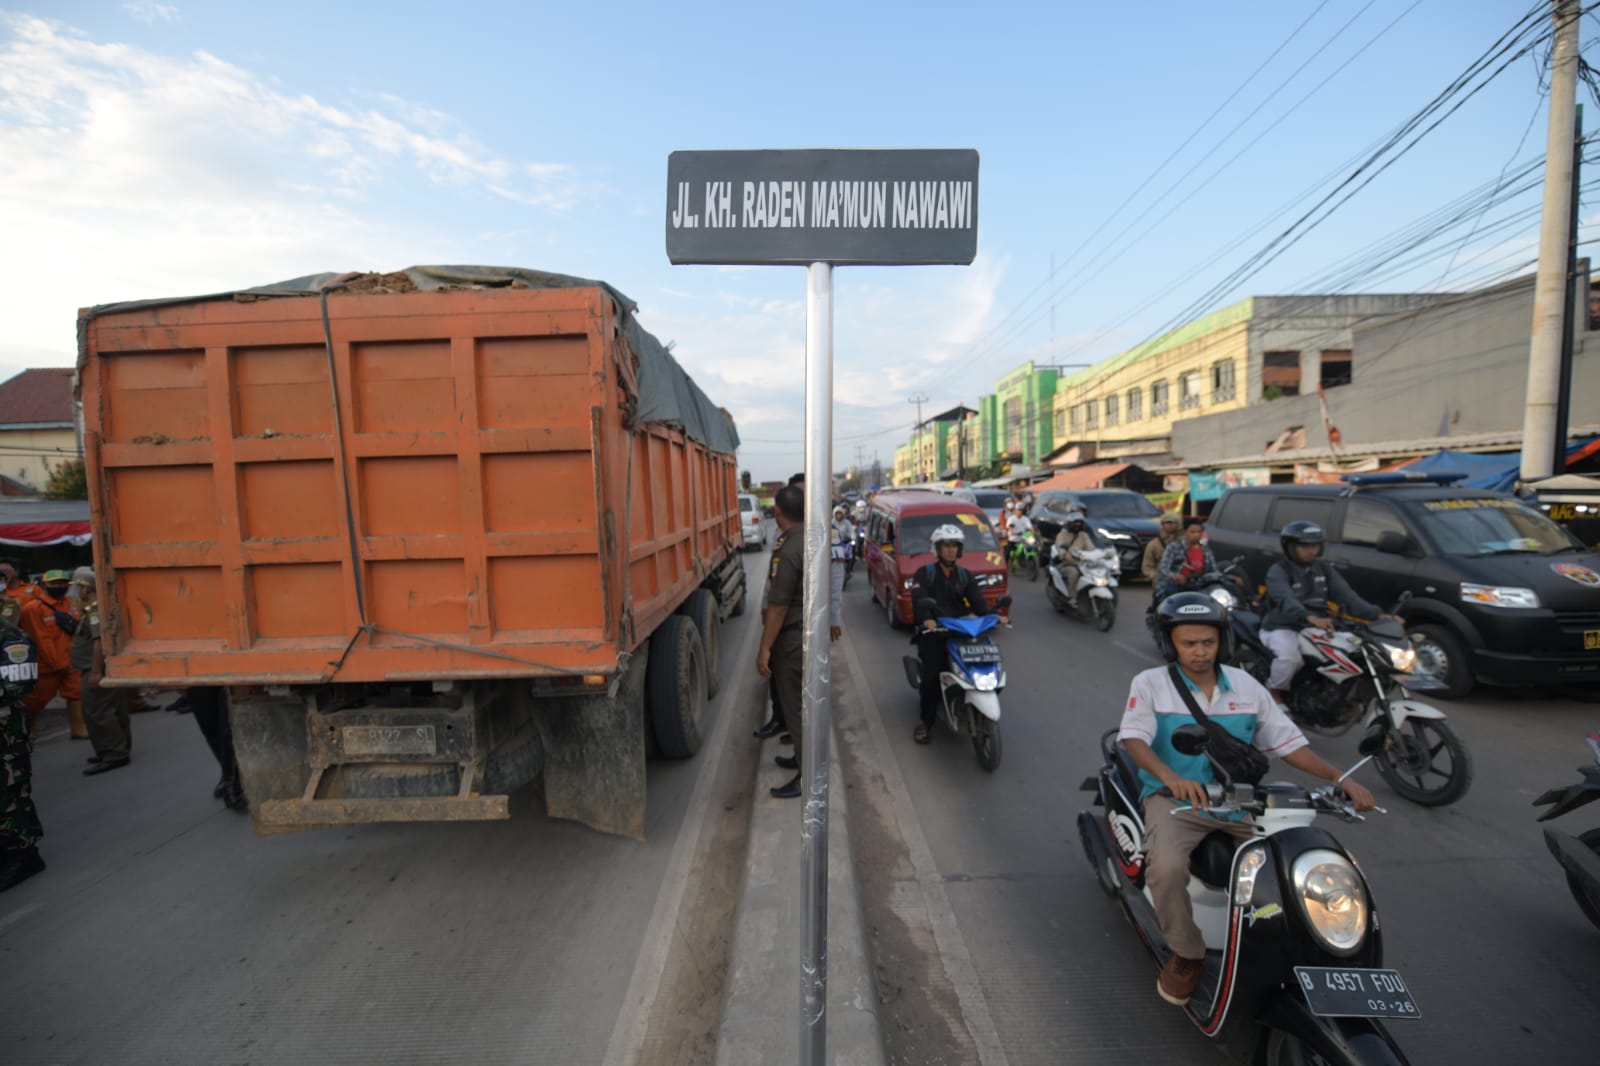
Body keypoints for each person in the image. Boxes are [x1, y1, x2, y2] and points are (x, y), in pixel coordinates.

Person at [1118, 592, 1376, 1007]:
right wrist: (1170, 776)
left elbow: (1288, 744)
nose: (1200, 652)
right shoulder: (1150, 684)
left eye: (1208, 642)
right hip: (1177, 800)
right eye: (1189, 643)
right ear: (1171, 644)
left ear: (1222, 641)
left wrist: (1339, 778)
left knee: (1298, 864)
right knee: (1165, 867)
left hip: (1240, 801)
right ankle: (1187, 953)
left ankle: (1295, 941)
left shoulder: (1246, 686)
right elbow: (1133, 738)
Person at [1260, 521, 1396, 700]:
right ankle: (1274, 694)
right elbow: (1286, 600)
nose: (1312, 551)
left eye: (1315, 545)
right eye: (1305, 546)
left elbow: (1347, 596)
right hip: (1283, 627)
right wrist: (1308, 616)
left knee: (1353, 652)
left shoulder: (1323, 568)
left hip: (1319, 626)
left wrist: (1377, 615)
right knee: (1290, 659)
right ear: (1291, 547)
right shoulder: (1278, 571)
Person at [911, 524, 988, 745]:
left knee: (980, 663)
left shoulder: (964, 576)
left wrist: (991, 615)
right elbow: (918, 599)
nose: (950, 550)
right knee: (931, 676)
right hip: (934, 631)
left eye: (955, 545)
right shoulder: (924, 573)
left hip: (960, 632)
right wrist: (927, 618)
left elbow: (979, 603)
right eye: (946, 545)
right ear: (937, 548)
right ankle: (925, 722)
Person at [757, 485, 806, 798]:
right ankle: (803, 760)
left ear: (777, 512)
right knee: (802, 706)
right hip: (807, 633)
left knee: (796, 708)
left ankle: (808, 776)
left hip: (792, 638)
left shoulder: (788, 549)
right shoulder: (811, 539)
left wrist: (764, 648)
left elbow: (778, 606)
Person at [71, 568, 131, 776]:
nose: (77, 592)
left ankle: (114, 753)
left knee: (98, 711)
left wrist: (96, 672)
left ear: (85, 588)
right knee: (114, 708)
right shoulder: (100, 607)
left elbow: (99, 643)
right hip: (105, 666)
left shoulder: (96, 610)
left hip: (95, 667)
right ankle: (119, 747)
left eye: (78, 587)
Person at [0, 613, 41, 892]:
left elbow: (20, 683)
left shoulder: (11, 638)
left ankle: (23, 854)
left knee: (10, 793)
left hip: (6, 730)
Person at [19, 569, 84, 743]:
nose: (58, 586)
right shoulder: (32, 609)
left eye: (62, 583)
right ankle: (28, 729)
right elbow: (40, 640)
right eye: (54, 583)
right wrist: (58, 664)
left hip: (71, 660)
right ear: (44, 585)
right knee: (35, 700)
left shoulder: (72, 603)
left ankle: (78, 729)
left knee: (75, 693)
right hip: (47, 665)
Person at [188, 686, 246, 811]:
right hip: (194, 676)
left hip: (226, 672)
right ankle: (228, 774)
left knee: (228, 724)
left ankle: (233, 783)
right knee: (209, 726)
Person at [1153, 517, 1216, 603]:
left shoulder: (1206, 551)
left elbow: (1213, 571)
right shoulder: (1173, 547)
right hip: (1176, 586)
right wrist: (1175, 576)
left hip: (1198, 586)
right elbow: (1164, 568)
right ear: (1185, 532)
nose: (1196, 534)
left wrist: (1230, 578)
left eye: (1199, 532)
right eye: (1193, 532)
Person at [1052, 510, 1097, 608]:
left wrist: (1099, 554)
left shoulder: (1083, 535)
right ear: (1070, 523)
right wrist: (1065, 554)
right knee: (1074, 573)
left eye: (1080, 522)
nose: (1078, 524)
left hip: (1082, 564)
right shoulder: (1062, 535)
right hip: (1065, 564)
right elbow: (1060, 549)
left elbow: (1091, 548)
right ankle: (1072, 597)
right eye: (1076, 522)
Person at [1142, 514, 1182, 584]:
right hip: (1162, 581)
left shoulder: (1183, 542)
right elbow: (1147, 566)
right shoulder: (1153, 544)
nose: (1171, 525)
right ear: (1162, 524)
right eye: (1168, 522)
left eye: (1174, 522)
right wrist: (1155, 576)